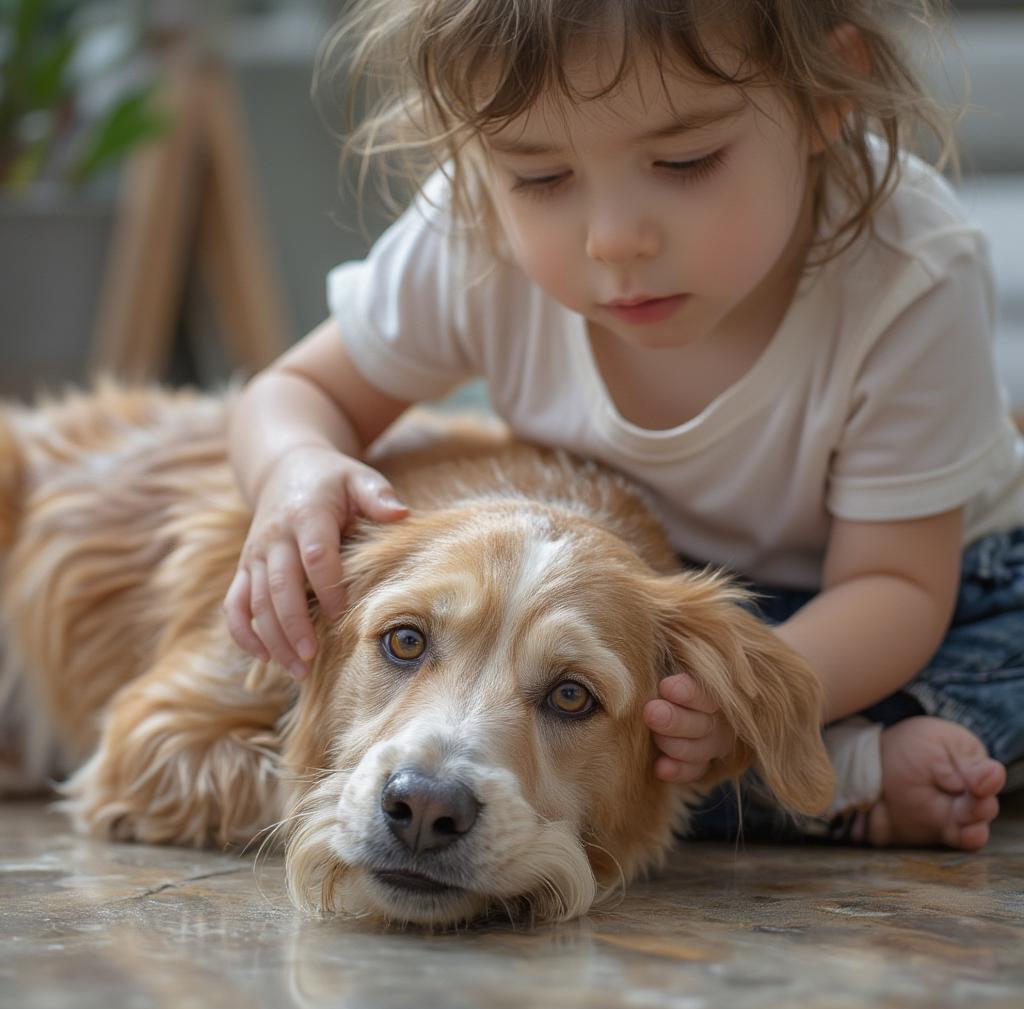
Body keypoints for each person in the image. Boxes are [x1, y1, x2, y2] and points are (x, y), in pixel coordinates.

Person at [224, 0, 1023, 850]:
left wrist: (743, 707)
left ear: (829, 96)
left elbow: (896, 588)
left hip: (913, 593)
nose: (613, 239)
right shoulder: (473, 232)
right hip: (625, 620)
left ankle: (827, 763)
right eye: (540, 176)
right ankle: (837, 775)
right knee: (590, 726)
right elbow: (298, 390)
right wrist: (294, 469)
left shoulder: (909, 272)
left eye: (685, 160)